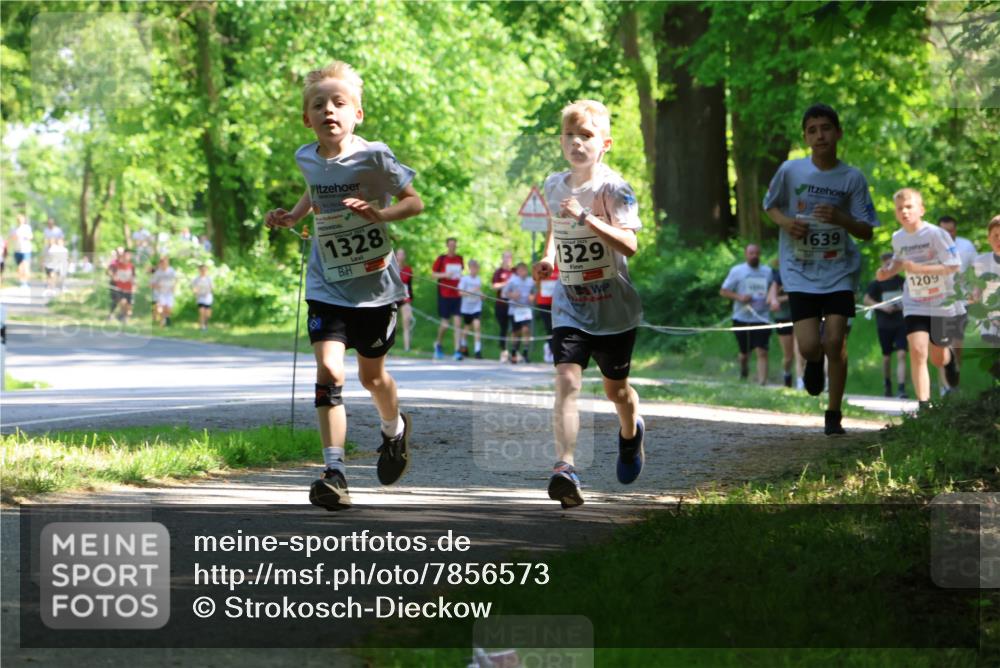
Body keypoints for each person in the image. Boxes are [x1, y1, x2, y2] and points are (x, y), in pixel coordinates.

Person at [264, 60, 424, 511]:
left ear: (358, 113)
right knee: (330, 373)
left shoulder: (375, 156)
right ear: (307, 118)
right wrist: (292, 217)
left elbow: (414, 202)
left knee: (372, 378)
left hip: (375, 287)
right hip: (327, 283)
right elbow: (318, 192)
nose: (329, 110)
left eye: (339, 103)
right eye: (319, 105)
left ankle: (394, 430)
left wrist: (381, 214)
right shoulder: (305, 157)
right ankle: (334, 472)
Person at [533, 99, 644, 508]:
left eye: (587, 136)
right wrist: (549, 258)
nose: (577, 143)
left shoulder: (615, 189)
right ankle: (565, 467)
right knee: (567, 381)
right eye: (570, 135)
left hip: (614, 309)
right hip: (570, 304)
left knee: (618, 392)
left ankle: (631, 434)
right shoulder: (553, 184)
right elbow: (555, 226)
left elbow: (630, 245)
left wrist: (588, 219)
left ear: (605, 143)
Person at [763, 103, 879, 435]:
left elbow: (867, 230)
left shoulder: (851, 178)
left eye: (826, 128)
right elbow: (769, 205)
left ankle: (834, 413)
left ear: (838, 133)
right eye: (812, 130)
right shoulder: (790, 171)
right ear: (805, 137)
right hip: (799, 270)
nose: (820, 135)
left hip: (839, 270)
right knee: (811, 346)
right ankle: (813, 364)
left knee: (835, 340)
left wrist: (842, 219)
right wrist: (787, 223)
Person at [876, 189, 962, 410]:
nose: (904, 211)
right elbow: (898, 261)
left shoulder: (936, 234)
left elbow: (954, 265)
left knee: (937, 357)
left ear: (921, 209)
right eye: (899, 208)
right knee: (917, 350)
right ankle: (923, 405)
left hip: (942, 301)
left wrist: (921, 269)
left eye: (909, 207)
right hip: (915, 301)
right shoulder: (898, 238)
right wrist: (887, 271)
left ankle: (950, 359)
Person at [720, 244, 774, 385]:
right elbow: (724, 291)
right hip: (741, 316)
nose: (754, 256)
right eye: (751, 253)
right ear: (745, 254)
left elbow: (774, 290)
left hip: (762, 317)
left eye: (756, 253)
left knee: (762, 351)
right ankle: (744, 368)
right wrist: (740, 297)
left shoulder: (768, 272)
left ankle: (762, 382)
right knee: (744, 353)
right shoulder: (737, 271)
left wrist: (772, 298)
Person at [936, 215, 977, 391]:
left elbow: (977, 271)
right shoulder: (931, 247)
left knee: (957, 345)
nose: (947, 233)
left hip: (961, 302)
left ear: (955, 230)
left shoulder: (966, 246)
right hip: (937, 303)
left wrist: (976, 290)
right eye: (943, 230)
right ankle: (944, 388)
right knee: (942, 345)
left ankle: (954, 384)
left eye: (950, 230)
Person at [864, 252, 907, 398]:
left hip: (901, 322)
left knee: (902, 354)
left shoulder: (902, 281)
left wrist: (903, 306)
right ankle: (887, 384)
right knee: (887, 356)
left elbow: (911, 297)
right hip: (884, 324)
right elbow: (867, 299)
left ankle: (901, 388)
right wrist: (882, 307)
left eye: (891, 264)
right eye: (886, 264)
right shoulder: (876, 283)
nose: (889, 267)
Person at [431, 237, 464, 360]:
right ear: (447, 246)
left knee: (457, 323)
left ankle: (457, 350)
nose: (453, 247)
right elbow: (433, 274)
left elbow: (461, 273)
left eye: (454, 245)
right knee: (445, 324)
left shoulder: (460, 258)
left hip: (457, 294)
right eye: (450, 245)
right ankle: (438, 344)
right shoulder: (442, 259)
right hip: (444, 294)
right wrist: (445, 275)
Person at [767, 260, 797, 388]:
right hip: (783, 317)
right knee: (788, 355)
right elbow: (770, 300)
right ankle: (787, 373)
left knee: (802, 350)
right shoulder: (777, 279)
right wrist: (788, 297)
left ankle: (803, 381)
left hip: (799, 316)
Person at [972, 215, 1000, 347]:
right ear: (988, 238)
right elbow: (978, 288)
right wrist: (975, 295)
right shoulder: (981, 261)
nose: (999, 239)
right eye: (995, 235)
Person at [502, 262, 534, 363]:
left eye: (524, 270)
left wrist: (532, 297)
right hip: (514, 309)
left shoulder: (530, 281)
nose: (522, 272)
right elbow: (504, 293)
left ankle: (525, 352)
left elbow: (534, 293)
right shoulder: (512, 280)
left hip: (525, 309)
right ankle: (514, 352)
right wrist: (512, 295)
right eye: (520, 270)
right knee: (516, 332)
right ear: (517, 271)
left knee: (526, 329)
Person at [491, 250, 515, 362]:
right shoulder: (498, 272)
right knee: (504, 328)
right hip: (501, 304)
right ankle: (504, 351)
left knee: (516, 328)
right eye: (505, 257)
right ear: (502, 259)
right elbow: (494, 286)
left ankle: (515, 352)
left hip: (514, 304)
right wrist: (506, 283)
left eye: (509, 257)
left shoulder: (515, 272)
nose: (507, 259)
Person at [458, 259, 484, 359]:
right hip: (466, 307)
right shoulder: (465, 279)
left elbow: (479, 291)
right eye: (472, 268)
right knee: (467, 327)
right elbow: (460, 292)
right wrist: (472, 291)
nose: (474, 270)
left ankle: (478, 350)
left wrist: (482, 295)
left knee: (477, 326)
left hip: (476, 306)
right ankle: (464, 346)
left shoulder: (479, 279)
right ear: (469, 268)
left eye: (476, 268)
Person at [535, 264, 560, 363]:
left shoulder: (562, 265)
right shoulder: (542, 266)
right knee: (549, 327)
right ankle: (553, 352)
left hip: (558, 302)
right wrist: (539, 277)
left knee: (558, 327)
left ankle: (553, 348)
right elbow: (536, 284)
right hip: (544, 302)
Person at [107, 249, 136, 323]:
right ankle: (121, 317)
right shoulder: (116, 264)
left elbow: (133, 277)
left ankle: (123, 316)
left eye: (129, 255)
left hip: (129, 288)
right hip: (119, 288)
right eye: (125, 255)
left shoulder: (131, 266)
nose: (127, 257)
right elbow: (109, 271)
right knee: (121, 302)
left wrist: (134, 284)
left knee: (129, 308)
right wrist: (113, 276)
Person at [395, 248, 414, 352]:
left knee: (406, 321)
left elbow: (410, 286)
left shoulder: (408, 270)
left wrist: (410, 300)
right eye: (399, 254)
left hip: (405, 298)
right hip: (393, 298)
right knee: (391, 323)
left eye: (402, 254)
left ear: (405, 256)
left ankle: (407, 348)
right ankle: (386, 347)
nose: (401, 256)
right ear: (396, 256)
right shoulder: (391, 268)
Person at [150, 256, 177, 327]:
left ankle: (165, 318)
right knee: (161, 308)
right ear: (161, 263)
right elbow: (151, 284)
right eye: (163, 263)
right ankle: (162, 323)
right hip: (160, 293)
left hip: (169, 293)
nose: (165, 264)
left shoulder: (171, 270)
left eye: (166, 262)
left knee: (168, 309)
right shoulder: (158, 273)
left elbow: (175, 279)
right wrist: (157, 286)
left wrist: (174, 287)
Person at [8, 214, 33, 288]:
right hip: (17, 250)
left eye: (21, 219)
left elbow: (31, 237)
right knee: (19, 268)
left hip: (26, 250)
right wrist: (15, 237)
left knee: (25, 266)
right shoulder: (13, 228)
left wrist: (25, 237)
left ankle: (25, 282)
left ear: (24, 220)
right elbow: (11, 237)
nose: (20, 221)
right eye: (18, 219)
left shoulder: (27, 227)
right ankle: (22, 281)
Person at [191, 263, 214, 331]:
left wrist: (208, 290)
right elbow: (193, 287)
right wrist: (195, 292)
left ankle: (206, 324)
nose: (203, 271)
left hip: (207, 298)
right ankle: (202, 326)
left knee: (207, 314)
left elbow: (212, 287)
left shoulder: (209, 278)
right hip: (200, 298)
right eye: (202, 270)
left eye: (204, 270)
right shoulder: (197, 279)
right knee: (202, 312)